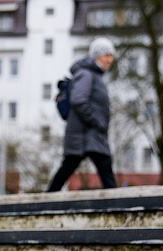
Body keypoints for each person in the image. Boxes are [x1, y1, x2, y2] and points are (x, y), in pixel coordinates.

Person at [47, 37, 117, 192]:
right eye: (107, 56)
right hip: (85, 134)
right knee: (97, 166)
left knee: (72, 166)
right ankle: (117, 203)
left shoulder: (95, 75)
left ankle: (47, 197)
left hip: (89, 134)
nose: (110, 60)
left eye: (111, 56)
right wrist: (97, 121)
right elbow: (78, 100)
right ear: (97, 56)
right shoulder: (86, 74)